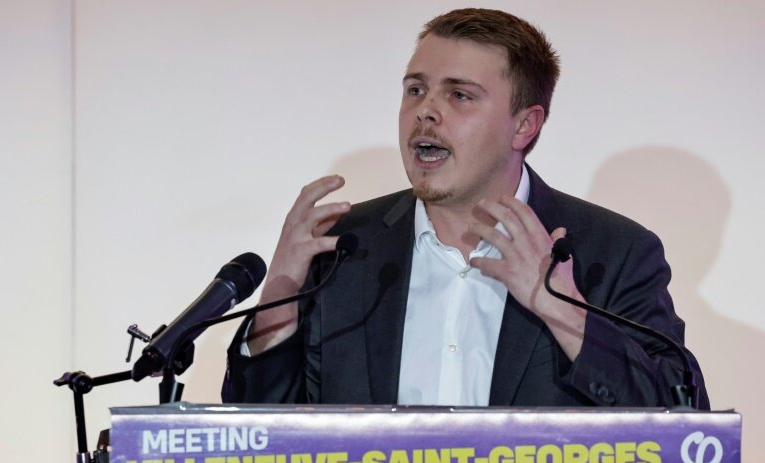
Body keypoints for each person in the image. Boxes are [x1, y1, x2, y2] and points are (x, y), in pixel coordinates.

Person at [222, 8, 708, 408]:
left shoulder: (614, 253)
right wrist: (275, 306)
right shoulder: (340, 249)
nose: (426, 111)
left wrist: (565, 314)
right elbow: (260, 441)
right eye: (416, 89)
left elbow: (683, 422)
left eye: (459, 94)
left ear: (524, 126)